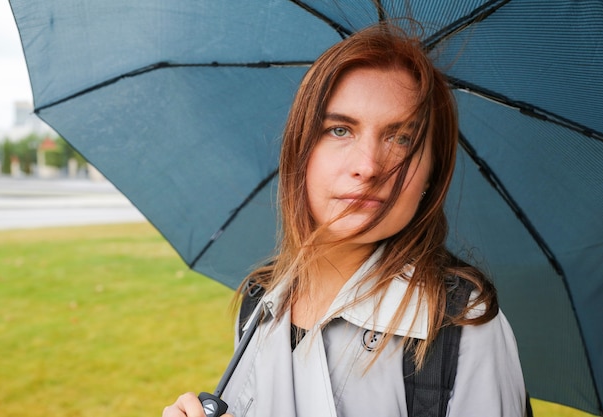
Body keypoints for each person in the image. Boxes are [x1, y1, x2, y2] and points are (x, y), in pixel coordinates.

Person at [163, 22, 526, 417]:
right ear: (300, 150)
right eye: (339, 130)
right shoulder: (259, 300)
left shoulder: (461, 323)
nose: (368, 167)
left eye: (401, 138)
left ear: (431, 174)